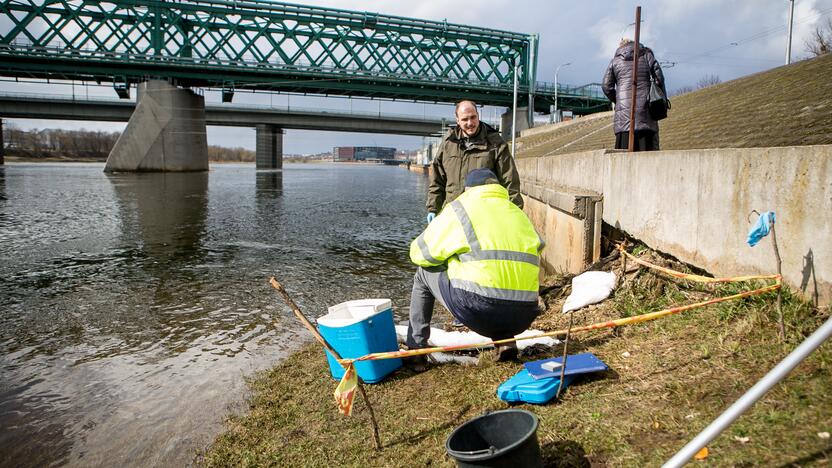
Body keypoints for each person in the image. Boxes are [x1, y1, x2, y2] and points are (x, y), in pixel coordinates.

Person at [405, 168, 543, 370]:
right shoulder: (517, 213)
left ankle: (415, 350)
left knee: (423, 273)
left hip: (479, 308)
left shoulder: (460, 208)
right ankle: (505, 341)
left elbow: (420, 254)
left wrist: (451, 259)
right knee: (500, 280)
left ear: (468, 189)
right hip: (524, 314)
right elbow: (538, 246)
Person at [426, 100, 522, 224]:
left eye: (473, 117)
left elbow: (510, 181)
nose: (470, 123)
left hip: (483, 219)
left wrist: (514, 212)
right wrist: (433, 208)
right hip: (452, 217)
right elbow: (437, 179)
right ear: (457, 120)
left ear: (478, 116)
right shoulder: (448, 143)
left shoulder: (495, 144)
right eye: (465, 119)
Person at [601, 38, 666, 151]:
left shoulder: (615, 62)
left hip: (624, 120)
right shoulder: (647, 56)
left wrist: (619, 100)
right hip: (646, 116)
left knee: (624, 158)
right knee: (647, 157)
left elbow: (606, 86)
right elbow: (659, 79)